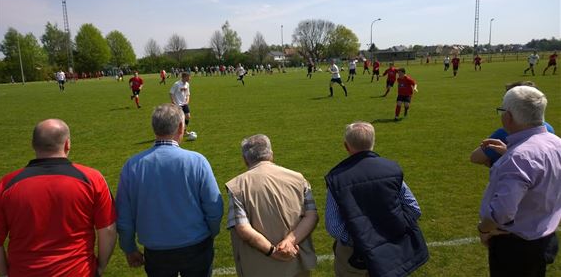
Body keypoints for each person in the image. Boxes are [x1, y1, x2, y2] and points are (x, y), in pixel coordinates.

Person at [0, 119, 117, 277]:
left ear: (33, 144)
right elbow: (108, 230)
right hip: (79, 271)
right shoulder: (92, 179)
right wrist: (100, 266)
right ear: (67, 144)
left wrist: (5, 274)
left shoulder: (6, 185)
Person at [116, 104, 224, 276]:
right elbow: (214, 206)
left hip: (157, 251)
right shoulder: (197, 161)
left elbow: (124, 216)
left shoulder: (133, 165)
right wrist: (211, 232)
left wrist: (129, 248)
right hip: (196, 245)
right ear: (181, 127)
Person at [325, 121, 429, 277]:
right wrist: (392, 231)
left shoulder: (337, 178)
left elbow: (334, 226)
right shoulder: (391, 169)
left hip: (354, 256)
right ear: (373, 143)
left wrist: (360, 241)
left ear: (346, 146)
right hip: (392, 251)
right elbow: (413, 209)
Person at [477, 86, 561, 277]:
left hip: (516, 247)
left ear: (508, 116)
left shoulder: (519, 158)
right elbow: (541, 172)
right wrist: (509, 153)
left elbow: (503, 211)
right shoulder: (556, 143)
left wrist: (483, 229)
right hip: (545, 238)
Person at [226, 134, 318, 277]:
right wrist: (289, 242)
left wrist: (273, 252)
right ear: (271, 155)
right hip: (295, 261)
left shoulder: (237, 186)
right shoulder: (298, 179)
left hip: (257, 267)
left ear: (245, 159)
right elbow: (311, 215)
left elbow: (243, 228)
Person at [470, 81, 555, 167]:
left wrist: (500, 160)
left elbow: (475, 157)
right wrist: (508, 152)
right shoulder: (549, 131)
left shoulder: (505, 133)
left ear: (509, 115)